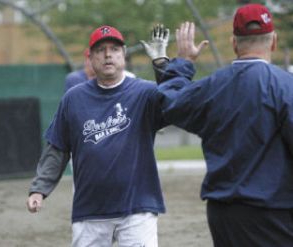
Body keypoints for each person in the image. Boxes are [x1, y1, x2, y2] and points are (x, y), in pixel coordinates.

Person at [155, 4, 293, 246]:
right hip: (275, 211)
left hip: (224, 213)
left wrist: (183, 63)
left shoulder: (212, 87)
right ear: (273, 41)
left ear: (234, 43)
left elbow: (171, 104)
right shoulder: (286, 86)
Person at [26, 25, 168, 247]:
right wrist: (40, 188)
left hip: (137, 208)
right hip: (90, 210)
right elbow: (58, 147)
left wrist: (162, 66)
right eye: (100, 50)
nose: (108, 54)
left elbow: (179, 102)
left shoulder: (144, 92)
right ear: (90, 58)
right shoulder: (74, 99)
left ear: (124, 56)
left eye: (114, 49)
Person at [64, 49, 135, 92]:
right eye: (90, 58)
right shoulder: (75, 78)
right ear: (86, 61)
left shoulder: (105, 77)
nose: (92, 62)